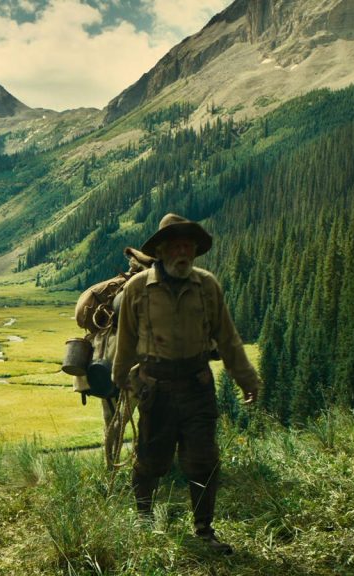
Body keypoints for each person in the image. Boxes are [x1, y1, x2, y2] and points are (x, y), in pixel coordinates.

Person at [113, 213, 261, 554]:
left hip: (197, 388)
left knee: (204, 460)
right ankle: (144, 519)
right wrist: (121, 379)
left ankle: (204, 531)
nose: (183, 252)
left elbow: (228, 338)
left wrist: (247, 379)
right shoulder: (138, 288)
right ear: (162, 250)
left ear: (195, 250)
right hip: (156, 389)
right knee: (150, 458)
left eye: (189, 245)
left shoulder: (207, 285)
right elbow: (125, 340)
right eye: (176, 245)